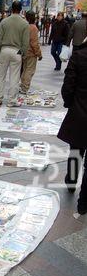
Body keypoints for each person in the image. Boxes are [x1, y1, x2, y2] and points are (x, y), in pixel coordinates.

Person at [57, 36, 87, 217]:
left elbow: (68, 85)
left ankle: (71, 180)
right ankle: (84, 202)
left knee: (76, 150)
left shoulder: (79, 55)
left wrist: (70, 103)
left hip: (80, 112)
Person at [0, 0, 29, 107]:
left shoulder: (4, 21)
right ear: (21, 10)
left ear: (11, 9)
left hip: (4, 49)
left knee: (0, 76)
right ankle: (12, 100)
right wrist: (22, 53)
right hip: (16, 51)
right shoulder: (24, 23)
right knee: (14, 77)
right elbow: (25, 42)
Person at [20, 11, 42, 94]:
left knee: (25, 69)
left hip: (24, 51)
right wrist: (39, 54)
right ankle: (25, 87)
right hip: (31, 52)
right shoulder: (33, 27)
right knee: (29, 70)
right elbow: (34, 43)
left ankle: (22, 85)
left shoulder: (24, 26)